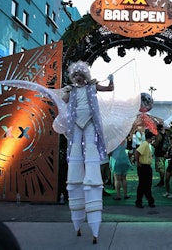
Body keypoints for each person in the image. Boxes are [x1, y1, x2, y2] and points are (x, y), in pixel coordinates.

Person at [61, 60, 114, 244]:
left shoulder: (92, 87)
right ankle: (78, 220)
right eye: (75, 76)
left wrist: (110, 81)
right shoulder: (72, 90)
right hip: (76, 121)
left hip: (90, 120)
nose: (78, 78)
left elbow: (108, 89)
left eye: (81, 75)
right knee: (76, 149)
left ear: (85, 76)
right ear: (73, 77)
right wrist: (64, 91)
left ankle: (92, 179)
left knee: (90, 148)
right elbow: (64, 100)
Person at [134, 130, 156, 208]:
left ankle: (149, 200)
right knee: (143, 185)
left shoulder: (147, 145)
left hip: (146, 166)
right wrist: (138, 162)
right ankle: (140, 201)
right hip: (144, 166)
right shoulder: (145, 144)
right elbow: (137, 152)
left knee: (146, 185)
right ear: (150, 138)